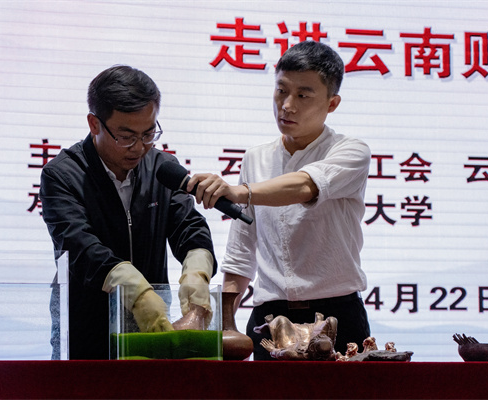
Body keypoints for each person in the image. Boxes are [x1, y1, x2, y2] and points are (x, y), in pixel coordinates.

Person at [188, 41, 371, 360]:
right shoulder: (256, 158)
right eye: (281, 91)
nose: (287, 105)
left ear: (332, 103)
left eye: (303, 95)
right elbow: (241, 250)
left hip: (338, 316)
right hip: (269, 318)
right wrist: (221, 323)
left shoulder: (351, 151)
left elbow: (305, 185)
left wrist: (241, 191)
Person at [40, 65, 217, 360]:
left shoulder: (161, 168)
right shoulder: (62, 175)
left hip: (151, 332)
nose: (139, 147)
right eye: (126, 136)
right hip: (87, 334)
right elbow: (80, 246)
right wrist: (136, 292)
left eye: (149, 133)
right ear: (94, 124)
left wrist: (197, 269)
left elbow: (188, 226)